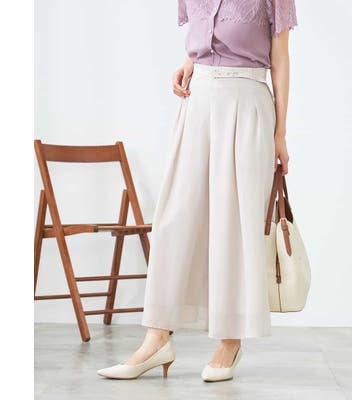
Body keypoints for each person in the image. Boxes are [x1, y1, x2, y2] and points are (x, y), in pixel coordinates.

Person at [97, 0, 297, 382]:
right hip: (198, 103)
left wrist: (281, 133)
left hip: (247, 104)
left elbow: (281, 59)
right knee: (175, 219)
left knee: (234, 223)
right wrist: (190, 61)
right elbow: (205, 36)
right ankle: (156, 339)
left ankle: (230, 340)